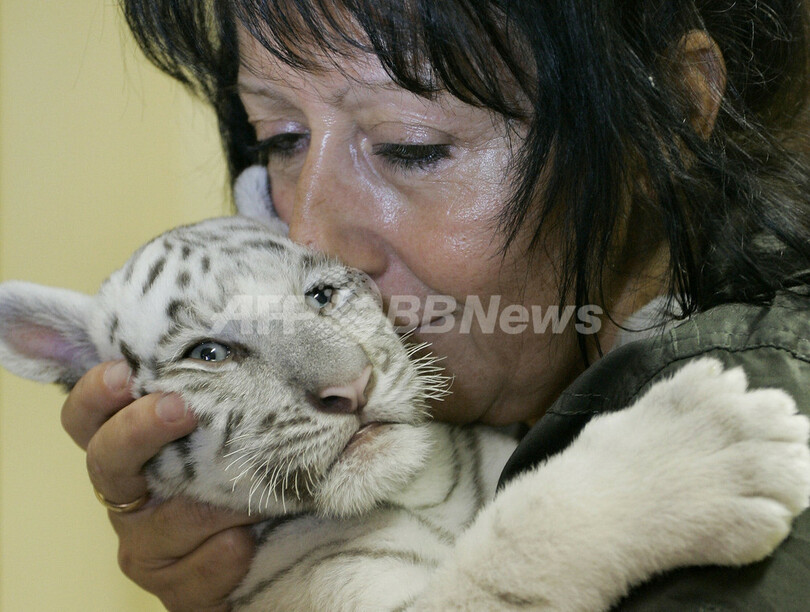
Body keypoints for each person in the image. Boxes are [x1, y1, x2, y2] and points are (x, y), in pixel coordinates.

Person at [60, 0, 810, 610]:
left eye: (410, 144)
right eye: (282, 138)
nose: (310, 236)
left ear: (668, 116)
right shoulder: (516, 389)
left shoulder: (758, 411)